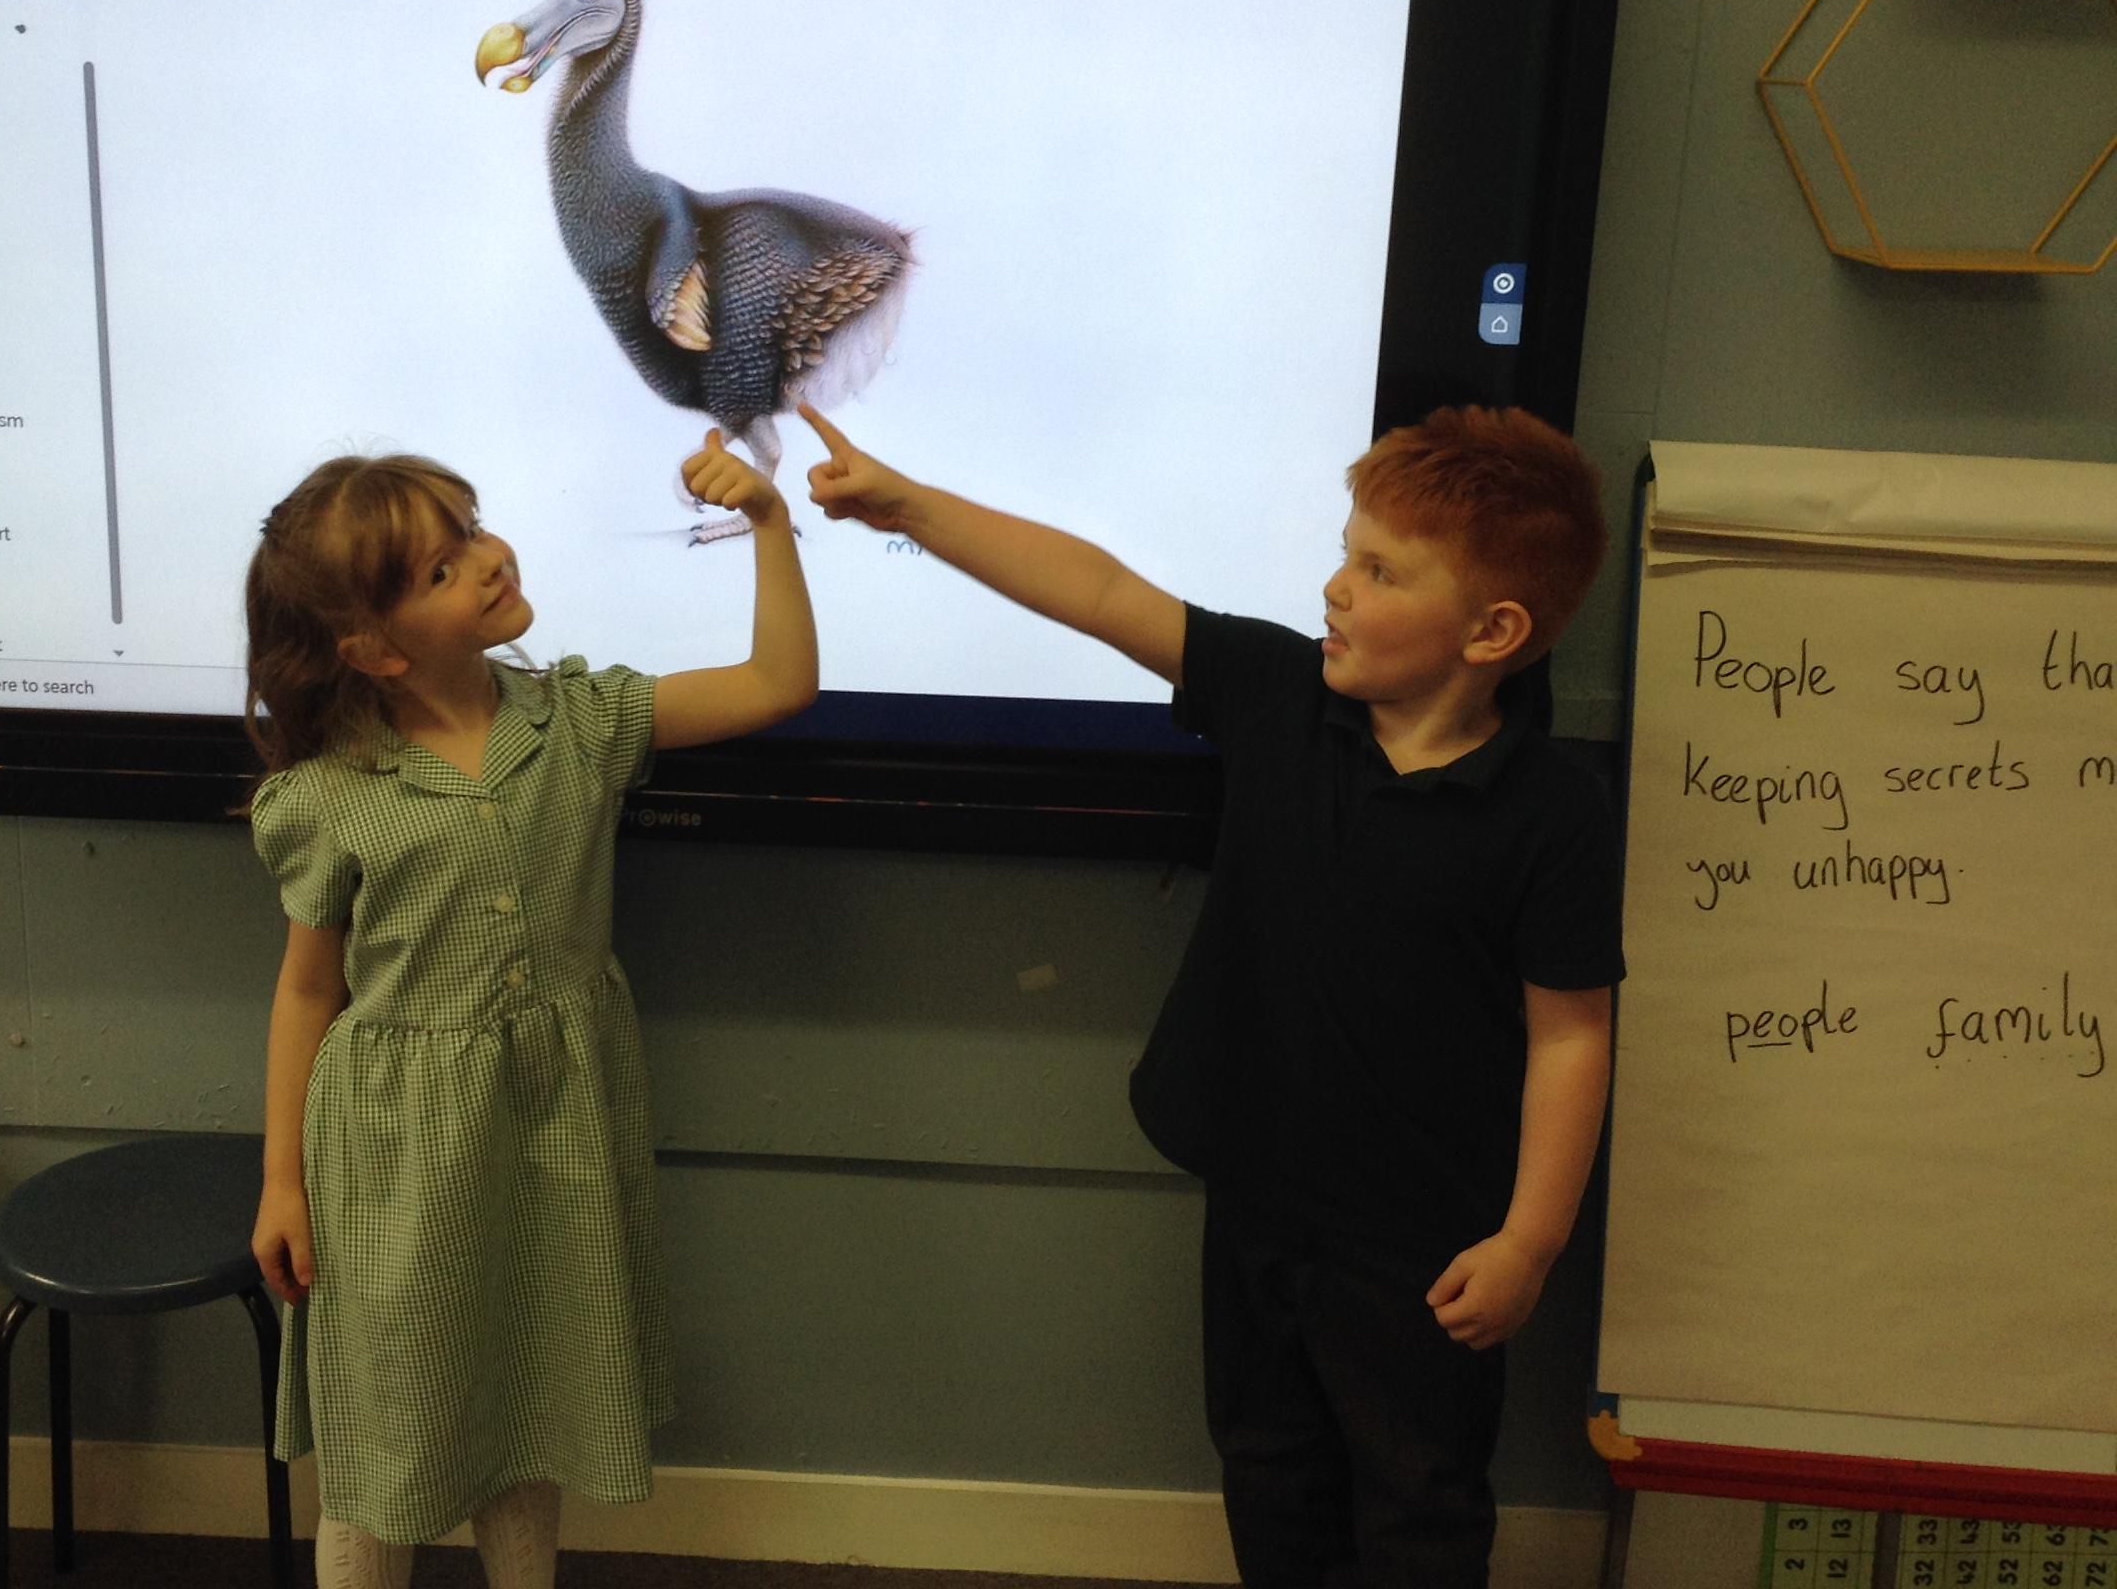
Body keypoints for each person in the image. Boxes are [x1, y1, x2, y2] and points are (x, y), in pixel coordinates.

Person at [802, 400, 1621, 1588]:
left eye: (1380, 571)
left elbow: (1572, 1037)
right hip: (1257, 1203)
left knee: (1419, 1500)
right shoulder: (1284, 696)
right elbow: (1099, 590)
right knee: (1269, 1467)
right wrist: (908, 505)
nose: (1336, 587)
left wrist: (1529, 1243)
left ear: (1492, 630)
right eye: (1345, 553)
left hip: (1425, 1248)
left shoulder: (1553, 813)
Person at [244, 432, 817, 1589]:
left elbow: (776, 683)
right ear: (373, 649)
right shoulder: (329, 794)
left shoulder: (581, 722)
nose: (489, 559)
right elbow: (309, 988)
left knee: (531, 1398)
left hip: (552, 1130)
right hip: (396, 1152)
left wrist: (769, 522)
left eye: (471, 534)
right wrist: (280, 1182)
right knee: (388, 1430)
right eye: (442, 568)